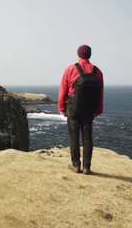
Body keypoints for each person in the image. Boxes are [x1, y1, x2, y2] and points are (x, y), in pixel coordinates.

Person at [58, 45, 104, 175]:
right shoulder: (98, 71)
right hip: (90, 109)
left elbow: (63, 90)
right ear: (90, 55)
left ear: (78, 55)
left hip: (74, 108)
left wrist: (62, 107)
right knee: (87, 137)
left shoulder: (71, 69)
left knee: (74, 136)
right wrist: (99, 109)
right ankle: (87, 167)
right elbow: (100, 93)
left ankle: (76, 165)